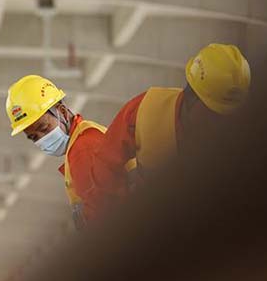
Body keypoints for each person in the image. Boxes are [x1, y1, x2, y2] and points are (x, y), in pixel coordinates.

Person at [91, 43, 251, 196]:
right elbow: (104, 166)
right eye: (215, 113)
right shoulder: (146, 110)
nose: (223, 124)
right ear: (193, 97)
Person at [6, 75, 123, 229]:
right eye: (34, 137)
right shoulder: (84, 138)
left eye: (43, 128)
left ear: (62, 111)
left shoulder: (83, 149)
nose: (42, 139)